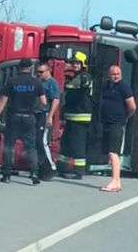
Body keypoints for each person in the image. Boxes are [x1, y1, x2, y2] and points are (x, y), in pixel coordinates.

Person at [0, 58, 47, 185]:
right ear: (31, 68)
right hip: (29, 118)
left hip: (14, 117)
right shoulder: (36, 83)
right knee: (31, 147)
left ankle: (6, 175)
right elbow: (44, 102)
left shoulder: (12, 82)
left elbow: (3, 101)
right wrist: (33, 108)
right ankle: (34, 174)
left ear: (19, 68)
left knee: (9, 146)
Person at [100, 65, 136, 192]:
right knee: (109, 152)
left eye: (118, 74)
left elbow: (132, 107)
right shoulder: (105, 87)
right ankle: (116, 181)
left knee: (113, 152)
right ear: (108, 75)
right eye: (113, 74)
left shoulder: (124, 87)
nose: (116, 76)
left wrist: (125, 117)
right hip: (106, 122)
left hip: (117, 122)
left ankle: (116, 181)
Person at [58, 52, 92, 180]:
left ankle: (79, 172)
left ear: (83, 64)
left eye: (77, 63)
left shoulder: (85, 77)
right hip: (71, 116)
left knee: (78, 145)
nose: (75, 65)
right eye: (74, 63)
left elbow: (78, 87)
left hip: (80, 117)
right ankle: (62, 167)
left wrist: (68, 85)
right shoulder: (75, 77)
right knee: (66, 143)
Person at [35, 63, 60, 180]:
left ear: (48, 71)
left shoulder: (52, 83)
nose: (38, 74)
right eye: (37, 72)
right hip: (36, 113)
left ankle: (51, 167)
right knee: (36, 141)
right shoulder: (39, 82)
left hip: (45, 114)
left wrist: (50, 116)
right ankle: (40, 166)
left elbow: (55, 100)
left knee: (42, 141)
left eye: (41, 72)